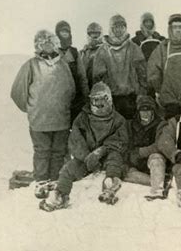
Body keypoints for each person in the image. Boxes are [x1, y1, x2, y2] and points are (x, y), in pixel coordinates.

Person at [37, 82, 128, 211]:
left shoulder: (118, 120)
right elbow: (76, 141)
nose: (98, 104)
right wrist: (87, 157)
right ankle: (60, 195)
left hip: (107, 157)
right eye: (95, 100)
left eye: (102, 100)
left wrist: (101, 151)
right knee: (68, 169)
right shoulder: (82, 119)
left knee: (115, 157)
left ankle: (109, 185)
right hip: (87, 159)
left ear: (109, 99)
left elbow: (121, 141)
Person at [11, 30, 75, 183]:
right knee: (42, 152)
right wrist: (32, 108)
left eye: (51, 43)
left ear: (55, 44)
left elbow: (71, 90)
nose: (48, 46)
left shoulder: (63, 65)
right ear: (38, 45)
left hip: (61, 120)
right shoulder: (31, 65)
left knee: (59, 152)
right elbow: (17, 92)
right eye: (44, 43)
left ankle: (55, 180)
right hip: (39, 120)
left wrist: (64, 107)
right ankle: (41, 181)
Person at [92, 14, 147, 119]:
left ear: (125, 28)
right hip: (111, 100)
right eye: (116, 27)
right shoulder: (102, 51)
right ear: (111, 29)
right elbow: (98, 78)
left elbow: (142, 73)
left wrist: (141, 94)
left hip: (132, 98)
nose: (119, 30)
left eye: (122, 27)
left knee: (131, 130)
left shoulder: (133, 48)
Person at [124, 95, 167, 199]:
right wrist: (130, 155)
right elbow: (125, 142)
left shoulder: (161, 124)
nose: (145, 114)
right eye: (142, 110)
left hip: (152, 158)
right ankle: (158, 180)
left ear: (153, 111)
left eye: (149, 110)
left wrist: (140, 152)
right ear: (138, 112)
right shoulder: (130, 125)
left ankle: (157, 191)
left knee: (156, 158)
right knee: (124, 172)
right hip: (136, 163)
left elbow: (160, 145)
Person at [55, 20, 90, 122]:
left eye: (67, 31)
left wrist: (86, 96)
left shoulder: (74, 52)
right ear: (57, 33)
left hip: (76, 98)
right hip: (59, 99)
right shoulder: (53, 52)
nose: (65, 34)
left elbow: (82, 76)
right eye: (62, 31)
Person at [80, 22, 103, 90]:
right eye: (92, 33)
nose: (94, 35)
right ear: (88, 34)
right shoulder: (83, 52)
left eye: (97, 33)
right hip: (86, 86)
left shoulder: (106, 50)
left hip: (101, 87)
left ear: (100, 34)